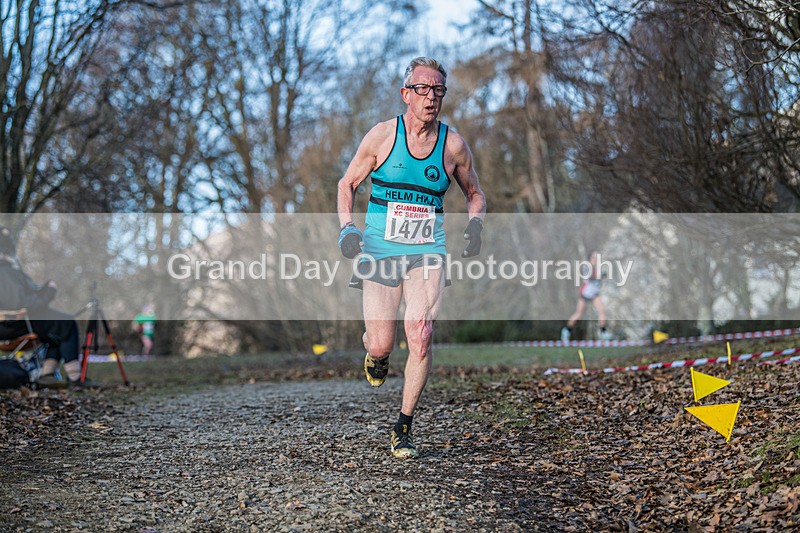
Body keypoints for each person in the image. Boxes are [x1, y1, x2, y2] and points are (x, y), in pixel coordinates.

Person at [337, 57, 486, 459]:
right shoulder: (383, 136)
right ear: (406, 94)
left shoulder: (452, 146)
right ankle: (375, 353)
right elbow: (347, 183)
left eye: (438, 90)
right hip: (381, 250)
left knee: (421, 333)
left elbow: (475, 194)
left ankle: (403, 426)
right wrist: (347, 228)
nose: (431, 97)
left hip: (427, 251)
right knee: (382, 343)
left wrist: (475, 225)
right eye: (423, 89)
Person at [0, 226, 83, 387]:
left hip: (10, 325)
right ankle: (75, 378)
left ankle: (47, 375)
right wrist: (49, 293)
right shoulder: (6, 272)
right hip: (13, 325)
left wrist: (43, 291)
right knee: (67, 324)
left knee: (56, 330)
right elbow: (24, 304)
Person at [561, 250, 612, 342]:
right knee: (579, 313)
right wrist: (601, 275)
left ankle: (603, 332)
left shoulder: (598, 268)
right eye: (595, 257)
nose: (597, 259)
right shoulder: (587, 266)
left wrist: (604, 275)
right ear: (591, 258)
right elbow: (590, 277)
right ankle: (566, 331)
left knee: (602, 310)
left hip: (594, 294)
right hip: (585, 293)